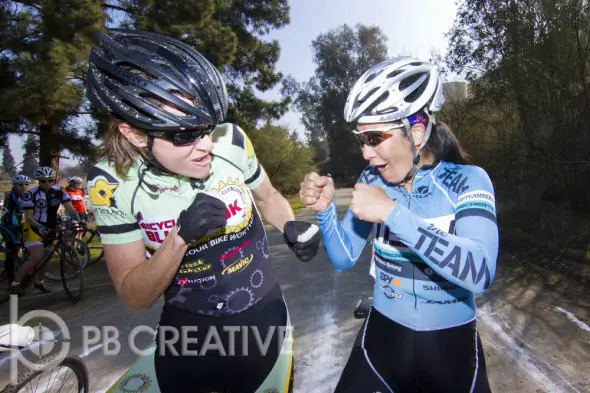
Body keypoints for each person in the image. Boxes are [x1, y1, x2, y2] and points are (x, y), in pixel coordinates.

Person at [85, 29, 321, 393]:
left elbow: (269, 197)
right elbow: (135, 296)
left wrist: (290, 225)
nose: (206, 145)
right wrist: (179, 239)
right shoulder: (111, 184)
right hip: (188, 329)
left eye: (207, 127)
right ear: (132, 134)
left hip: (262, 313)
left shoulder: (232, 141)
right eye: (183, 134)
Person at [299, 57, 499, 393]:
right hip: (383, 344)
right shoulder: (372, 180)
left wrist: (392, 214)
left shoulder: (467, 180)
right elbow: (343, 257)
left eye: (374, 138)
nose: (365, 153)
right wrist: (324, 210)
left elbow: (479, 272)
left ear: (416, 132)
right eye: (361, 139)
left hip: (451, 355)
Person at [9, 167, 82, 296]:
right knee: (37, 257)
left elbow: (70, 208)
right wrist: (39, 226)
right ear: (38, 181)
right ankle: (15, 283)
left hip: (51, 228)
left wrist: (79, 219)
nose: (47, 183)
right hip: (33, 227)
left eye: (50, 180)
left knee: (46, 259)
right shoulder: (30, 194)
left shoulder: (59, 192)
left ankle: (39, 282)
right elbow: (29, 217)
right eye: (43, 181)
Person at [1, 175, 33, 286]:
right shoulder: (12, 195)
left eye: (26, 184)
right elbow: (22, 205)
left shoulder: (23, 195)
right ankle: (11, 279)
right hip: (9, 225)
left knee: (25, 247)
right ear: (15, 185)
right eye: (20, 184)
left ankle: (23, 273)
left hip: (18, 225)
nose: (24, 187)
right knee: (12, 251)